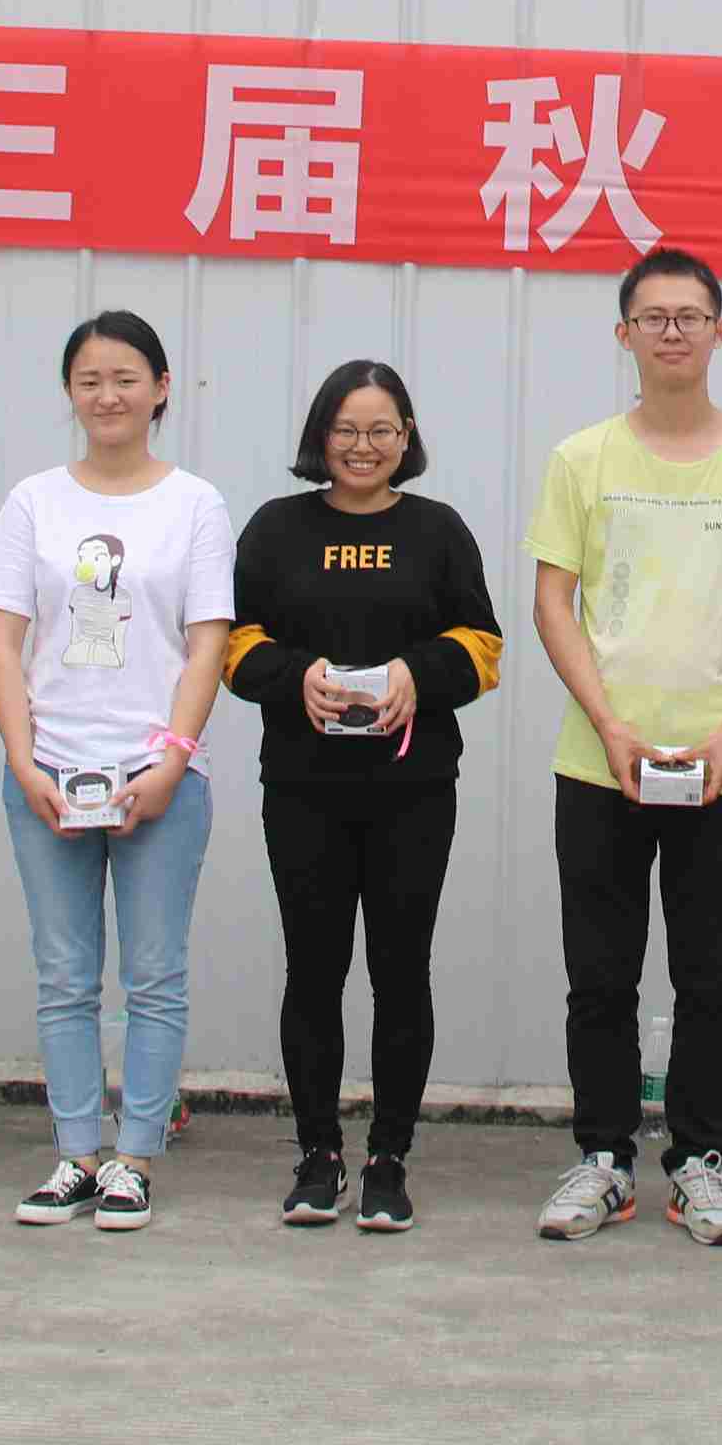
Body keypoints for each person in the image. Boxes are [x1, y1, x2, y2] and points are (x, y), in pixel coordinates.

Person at [527, 247, 722, 1249]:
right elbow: (552, 600)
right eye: (654, 316)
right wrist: (610, 725)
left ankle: (699, 1162)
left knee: (710, 979)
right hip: (600, 760)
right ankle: (604, 1158)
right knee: (600, 975)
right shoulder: (582, 458)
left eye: (691, 316)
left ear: (720, 332)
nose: (673, 331)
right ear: (625, 334)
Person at [0, 311, 234, 1235]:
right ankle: (76, 1153)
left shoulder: (195, 504)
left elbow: (207, 644)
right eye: (89, 380)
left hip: (158, 777)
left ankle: (137, 1157)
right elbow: (2, 641)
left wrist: (171, 761)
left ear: (161, 389)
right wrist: (22, 761)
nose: (108, 395)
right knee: (64, 976)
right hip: (49, 772)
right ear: (69, 393)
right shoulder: (34, 502)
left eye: (126, 379)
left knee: (154, 976)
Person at [229, 359, 503, 1235]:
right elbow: (232, 642)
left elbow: (484, 646)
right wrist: (294, 678)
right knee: (313, 970)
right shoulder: (276, 528)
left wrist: (418, 673)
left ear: (406, 438)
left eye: (381, 430)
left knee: (400, 970)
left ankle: (389, 1158)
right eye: (346, 430)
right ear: (321, 436)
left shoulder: (438, 530)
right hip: (302, 788)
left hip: (412, 790)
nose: (362, 446)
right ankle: (318, 1153)